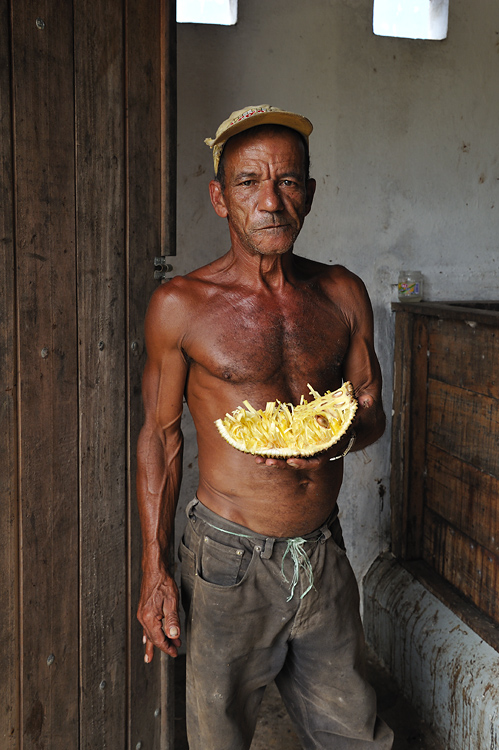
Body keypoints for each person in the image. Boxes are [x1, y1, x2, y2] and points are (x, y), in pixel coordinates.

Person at [137, 104, 394, 750]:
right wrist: (154, 568)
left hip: (322, 554)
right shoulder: (180, 306)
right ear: (220, 199)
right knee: (217, 739)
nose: (270, 201)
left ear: (309, 192)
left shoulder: (341, 293)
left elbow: (369, 412)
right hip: (226, 560)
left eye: (286, 181)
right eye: (249, 182)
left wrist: (342, 435)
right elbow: (160, 438)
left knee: (356, 735)